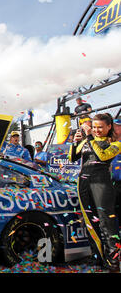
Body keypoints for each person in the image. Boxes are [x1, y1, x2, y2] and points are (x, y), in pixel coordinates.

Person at [68, 113, 121, 272]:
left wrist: (90, 136)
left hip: (102, 183)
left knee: (106, 221)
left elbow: (102, 155)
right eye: (94, 127)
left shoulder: (116, 143)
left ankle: (114, 259)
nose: (97, 130)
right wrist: (75, 141)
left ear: (109, 127)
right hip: (83, 183)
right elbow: (72, 157)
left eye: (100, 127)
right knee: (90, 221)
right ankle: (97, 257)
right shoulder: (86, 139)